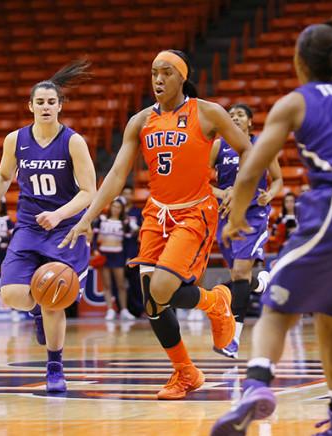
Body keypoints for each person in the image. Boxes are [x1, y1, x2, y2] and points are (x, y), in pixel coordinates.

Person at [60, 49, 253, 400]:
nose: (158, 80)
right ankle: (186, 373)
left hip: (194, 212)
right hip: (156, 213)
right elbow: (117, 174)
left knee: (162, 288)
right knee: (153, 301)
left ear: (182, 77)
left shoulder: (207, 113)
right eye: (153, 73)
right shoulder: (140, 121)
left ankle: (217, 302)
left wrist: (236, 190)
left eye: (166, 73)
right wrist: (88, 217)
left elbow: (249, 150)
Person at [211, 17, 332, 435]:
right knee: (331, 317)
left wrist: (236, 214)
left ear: (299, 61)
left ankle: (256, 385)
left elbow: (253, 164)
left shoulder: (296, 102)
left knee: (276, 305)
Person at [0, 60, 96, 393]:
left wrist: (59, 215)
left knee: (53, 299)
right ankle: (37, 315)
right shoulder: (15, 140)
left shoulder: (73, 142)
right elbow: (2, 177)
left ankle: (54, 368)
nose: (45, 107)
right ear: (30, 106)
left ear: (60, 106)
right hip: (28, 226)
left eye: (51, 102)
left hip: (62, 228)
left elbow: (90, 192)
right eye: (40, 102)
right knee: (13, 294)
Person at [209, 103, 283, 358]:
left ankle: (233, 339)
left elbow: (279, 180)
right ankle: (261, 285)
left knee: (240, 272)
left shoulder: (263, 145)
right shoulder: (218, 146)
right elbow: (200, 179)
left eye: (240, 115)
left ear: (250, 122)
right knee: (239, 276)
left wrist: (269, 194)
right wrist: (221, 192)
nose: (235, 118)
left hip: (253, 214)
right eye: (230, 116)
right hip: (225, 216)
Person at [92, 197, 136, 321]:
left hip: (118, 255)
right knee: (107, 285)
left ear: (122, 209)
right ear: (110, 207)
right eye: (114, 206)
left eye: (118, 207)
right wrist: (95, 250)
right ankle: (110, 310)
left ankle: (124, 310)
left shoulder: (125, 223)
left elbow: (128, 242)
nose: (115, 209)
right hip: (104, 255)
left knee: (121, 284)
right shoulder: (101, 220)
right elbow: (94, 238)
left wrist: (128, 256)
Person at [121, 184, 144, 316]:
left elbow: (143, 230)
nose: (127, 196)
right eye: (125, 193)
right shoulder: (118, 211)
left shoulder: (137, 211)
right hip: (119, 247)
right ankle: (124, 309)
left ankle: (139, 309)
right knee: (120, 282)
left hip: (133, 247)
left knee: (135, 281)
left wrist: (136, 229)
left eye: (129, 193)